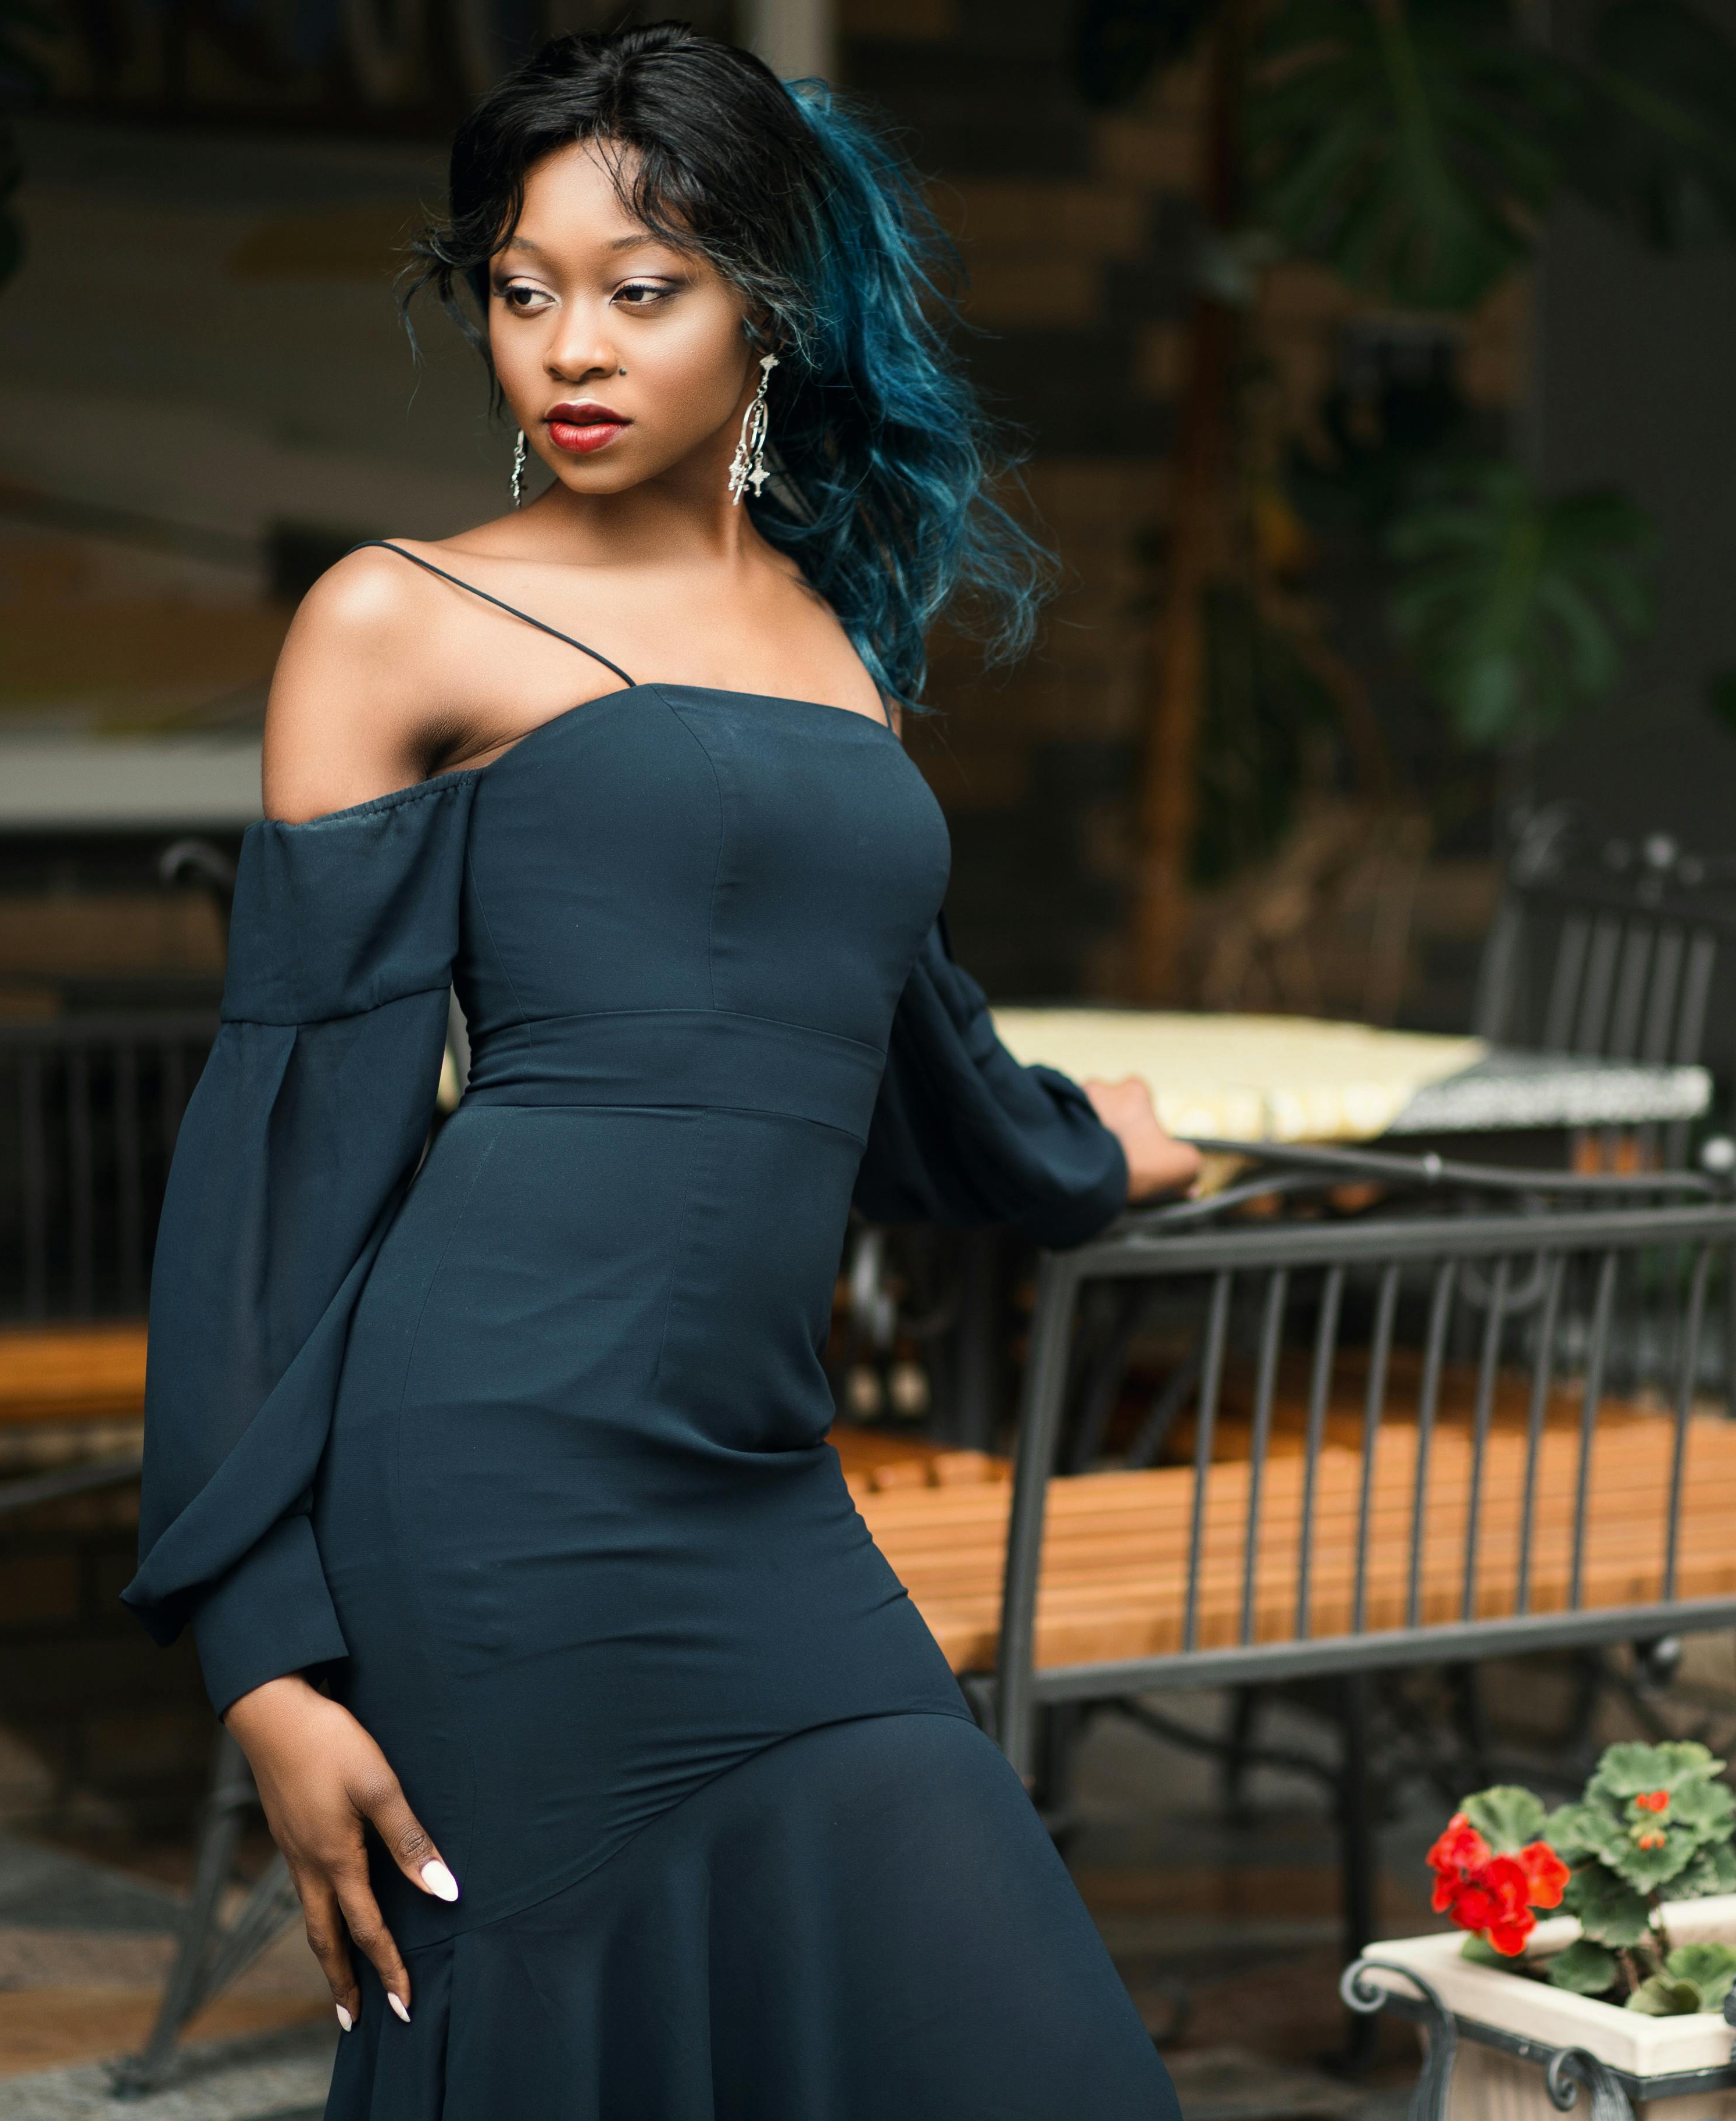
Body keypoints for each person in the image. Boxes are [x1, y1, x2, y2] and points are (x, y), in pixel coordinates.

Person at [122, 23, 1199, 2117]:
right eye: (526, 294)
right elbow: (283, 1151)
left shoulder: (835, 630)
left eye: (643, 288)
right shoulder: (395, 622)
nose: (570, 350)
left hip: (755, 1478)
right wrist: (260, 1649)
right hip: (494, 1474)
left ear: (765, 312)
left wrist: (1091, 1161)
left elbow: (908, 1048)